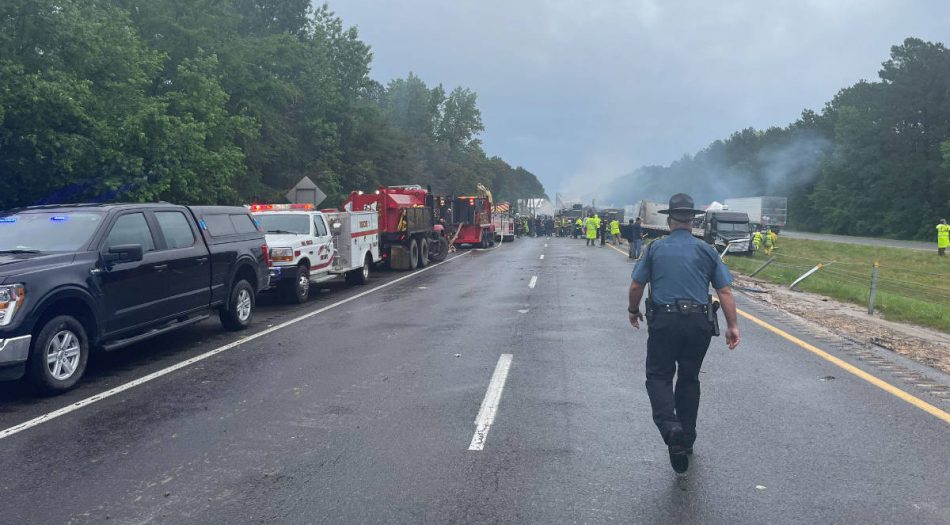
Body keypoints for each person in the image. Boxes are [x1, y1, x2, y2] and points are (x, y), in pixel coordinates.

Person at [627, 193, 740, 474]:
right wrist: (733, 326)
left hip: (664, 321)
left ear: (669, 219)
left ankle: (671, 428)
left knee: (659, 376)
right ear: (692, 220)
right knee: (689, 379)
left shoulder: (655, 249)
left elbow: (636, 286)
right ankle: (686, 440)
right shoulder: (708, 250)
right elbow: (724, 290)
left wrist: (633, 309)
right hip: (699, 322)